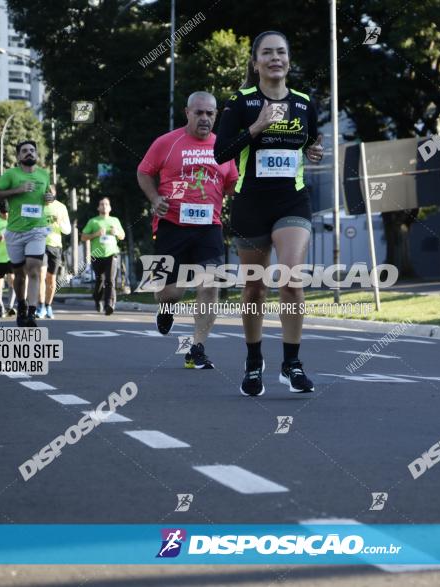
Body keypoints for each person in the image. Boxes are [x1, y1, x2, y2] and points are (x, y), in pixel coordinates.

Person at [214, 30, 324, 395]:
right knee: (254, 289)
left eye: (281, 52)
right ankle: (252, 360)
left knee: (292, 279)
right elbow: (221, 153)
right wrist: (258, 125)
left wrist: (314, 152)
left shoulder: (306, 103)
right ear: (255, 62)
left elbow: (310, 142)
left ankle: (292, 363)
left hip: (292, 201)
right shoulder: (240, 102)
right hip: (250, 204)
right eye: (267, 53)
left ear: (289, 60)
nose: (275, 58)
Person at [137, 90, 239, 369]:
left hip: (210, 227)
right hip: (171, 224)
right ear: (188, 113)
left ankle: (198, 347)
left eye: (210, 113)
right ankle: (166, 308)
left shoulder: (224, 147)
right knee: (169, 292)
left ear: (216, 115)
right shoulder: (166, 143)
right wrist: (155, 199)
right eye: (199, 112)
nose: (205, 118)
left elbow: (231, 184)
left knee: (210, 285)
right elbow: (143, 171)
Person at [0, 140, 53, 327]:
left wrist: (50, 198)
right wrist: (18, 190)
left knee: (33, 268)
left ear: (36, 155)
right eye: (24, 151)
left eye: (32, 150)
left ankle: (32, 313)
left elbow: (48, 195)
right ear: (18, 157)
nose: (29, 153)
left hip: (37, 230)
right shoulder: (10, 174)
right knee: (19, 275)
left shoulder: (44, 175)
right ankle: (22, 304)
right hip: (15, 232)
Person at [81, 197, 125, 315]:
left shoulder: (115, 220)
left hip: (112, 254)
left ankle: (108, 305)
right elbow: (83, 237)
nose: (104, 206)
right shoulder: (93, 221)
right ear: (98, 207)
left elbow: (122, 236)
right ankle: (97, 299)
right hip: (97, 255)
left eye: (106, 204)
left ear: (110, 207)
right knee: (100, 280)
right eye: (102, 204)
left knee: (110, 280)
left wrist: (117, 233)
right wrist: (96, 234)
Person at [36, 186, 70, 319]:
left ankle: (48, 306)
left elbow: (67, 230)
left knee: (52, 279)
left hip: (55, 246)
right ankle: (40, 306)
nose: (48, 193)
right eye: (45, 191)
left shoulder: (61, 207)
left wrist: (59, 222)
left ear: (55, 193)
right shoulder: (37, 206)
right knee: (41, 276)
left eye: (50, 191)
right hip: (40, 245)